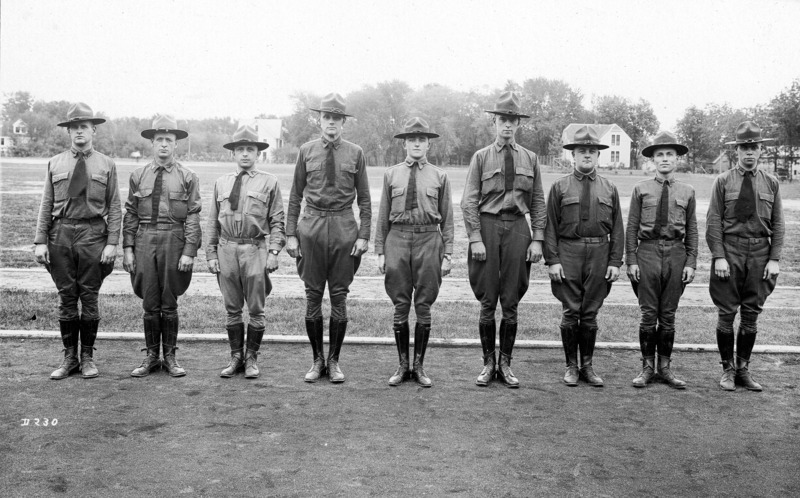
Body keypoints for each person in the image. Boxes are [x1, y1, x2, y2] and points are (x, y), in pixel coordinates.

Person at [461, 91, 546, 388]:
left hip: (518, 230)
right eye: (502, 120)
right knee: (488, 299)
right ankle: (487, 363)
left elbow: (537, 201)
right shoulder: (481, 157)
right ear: (494, 123)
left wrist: (538, 240)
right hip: (487, 226)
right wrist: (475, 238)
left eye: (512, 120)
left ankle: (506, 364)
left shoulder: (530, 158)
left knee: (511, 300)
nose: (507, 125)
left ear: (518, 124)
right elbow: (469, 200)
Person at [285, 93, 371, 383]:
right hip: (311, 227)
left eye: (337, 118)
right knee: (312, 296)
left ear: (343, 122)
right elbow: (295, 195)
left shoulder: (355, 152)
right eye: (326, 117)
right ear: (319, 120)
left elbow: (366, 200)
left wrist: (364, 235)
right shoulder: (306, 150)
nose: (331, 122)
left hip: (345, 227)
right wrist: (290, 234)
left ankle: (334, 361)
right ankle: (316, 360)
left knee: (339, 297)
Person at [34, 102, 121, 380]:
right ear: (68, 132)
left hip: (93, 234)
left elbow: (115, 206)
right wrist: (40, 240)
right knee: (67, 298)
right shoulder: (55, 162)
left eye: (84, 127)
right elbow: (46, 204)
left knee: (90, 296)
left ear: (93, 130)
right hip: (60, 234)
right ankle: (70, 357)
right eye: (74, 127)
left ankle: (87, 358)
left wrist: (112, 243)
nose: (79, 132)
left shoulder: (106, 164)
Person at [375, 117, 454, 387]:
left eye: (421, 139)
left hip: (429, 239)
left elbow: (449, 218)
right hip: (397, 239)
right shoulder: (391, 174)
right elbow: (383, 215)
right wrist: (380, 251)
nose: (416, 144)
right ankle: (402, 366)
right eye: (412, 139)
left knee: (423, 305)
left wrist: (449, 253)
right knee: (400, 305)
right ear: (405, 144)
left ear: (428, 144)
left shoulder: (439, 176)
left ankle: (419, 366)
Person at [122, 115, 202, 377]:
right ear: (152, 144)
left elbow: (192, 215)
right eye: (159, 140)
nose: (164, 145)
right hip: (145, 239)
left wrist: (189, 251)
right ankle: (151, 357)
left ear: (176, 144)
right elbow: (131, 214)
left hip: (174, 239)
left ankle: (170, 357)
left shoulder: (188, 177)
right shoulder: (138, 175)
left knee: (169, 302)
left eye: (169, 140)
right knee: (149, 301)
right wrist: (128, 248)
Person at [544, 125, 624, 387]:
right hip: (569, 251)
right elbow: (550, 228)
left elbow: (618, 228)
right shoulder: (559, 187)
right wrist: (553, 260)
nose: (587, 155)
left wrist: (615, 261)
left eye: (591, 151)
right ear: (573, 155)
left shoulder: (609, 188)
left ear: (598, 155)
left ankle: (587, 366)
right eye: (581, 151)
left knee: (590, 312)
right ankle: (571, 367)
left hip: (600, 251)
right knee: (571, 310)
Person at [707, 121, 784, 391]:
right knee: (727, 313)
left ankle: (743, 369)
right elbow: (714, 221)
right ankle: (727, 368)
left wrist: (774, 258)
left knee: (751, 314)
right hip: (730, 250)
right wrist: (719, 256)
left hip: (761, 253)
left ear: (761, 150)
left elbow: (779, 223)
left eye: (754, 147)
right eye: (744, 147)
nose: (749, 152)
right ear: (736, 150)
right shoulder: (723, 181)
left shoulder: (771, 183)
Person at [207, 125, 285, 379]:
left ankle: (251, 359)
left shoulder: (269, 181)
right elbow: (212, 222)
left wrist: (274, 251)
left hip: (255, 248)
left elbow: (277, 220)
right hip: (226, 248)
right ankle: (235, 358)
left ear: (258, 154)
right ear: (233, 153)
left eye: (250, 149)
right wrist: (210, 254)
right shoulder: (222, 182)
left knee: (256, 309)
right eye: (239, 149)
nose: (244, 154)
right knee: (231, 308)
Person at [626, 131, 697, 389]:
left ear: (677, 159)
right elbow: (632, 226)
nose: (665, 159)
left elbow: (693, 229)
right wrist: (631, 259)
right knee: (648, 315)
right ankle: (646, 368)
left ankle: (665, 368)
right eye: (660, 155)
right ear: (653, 160)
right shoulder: (641, 189)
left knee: (668, 315)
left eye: (669, 154)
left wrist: (691, 262)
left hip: (676, 253)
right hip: (647, 252)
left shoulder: (687, 191)